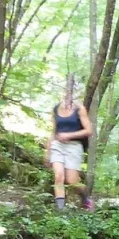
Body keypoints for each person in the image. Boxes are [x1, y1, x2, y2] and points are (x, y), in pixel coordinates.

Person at [47, 78, 93, 211]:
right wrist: (48, 150)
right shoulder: (56, 108)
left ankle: (86, 198)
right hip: (58, 146)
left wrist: (69, 135)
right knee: (58, 176)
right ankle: (60, 210)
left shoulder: (79, 109)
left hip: (74, 147)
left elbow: (89, 131)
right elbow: (53, 130)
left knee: (72, 181)